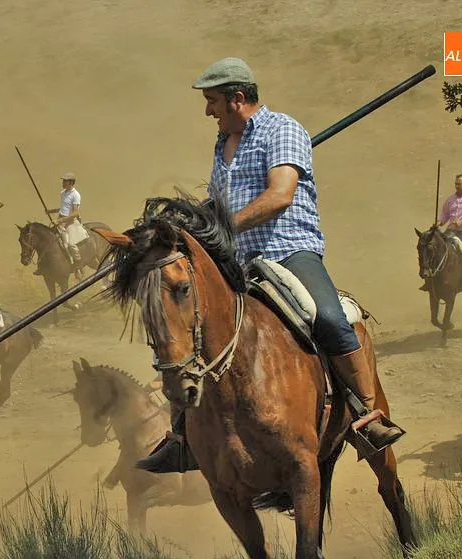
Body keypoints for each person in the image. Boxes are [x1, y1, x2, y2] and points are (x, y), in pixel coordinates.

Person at [136, 57, 405, 474]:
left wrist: (224, 225)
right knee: (190, 324)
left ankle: (368, 416)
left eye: (212, 101)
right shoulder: (222, 143)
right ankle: (182, 436)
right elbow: (222, 205)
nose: (208, 111)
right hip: (237, 261)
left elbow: (280, 195)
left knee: (329, 317)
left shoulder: (283, 130)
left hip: (289, 251)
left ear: (236, 98)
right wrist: (196, 222)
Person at [46, 173, 85, 278]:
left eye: (65, 181)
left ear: (71, 182)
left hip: (70, 222)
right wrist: (51, 211)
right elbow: (64, 208)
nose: (63, 183)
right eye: (63, 181)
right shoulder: (63, 193)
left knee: (70, 244)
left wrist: (60, 220)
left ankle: (78, 266)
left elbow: (75, 213)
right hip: (60, 220)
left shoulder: (76, 195)